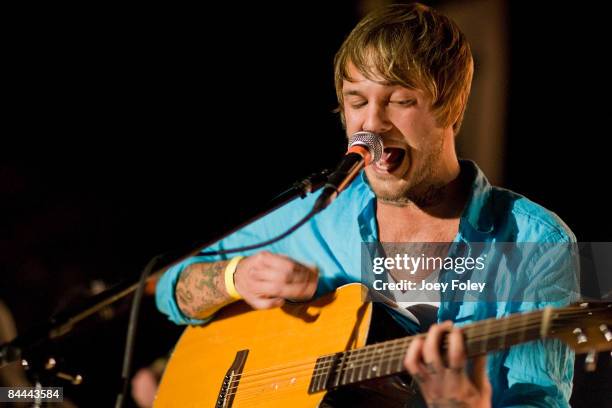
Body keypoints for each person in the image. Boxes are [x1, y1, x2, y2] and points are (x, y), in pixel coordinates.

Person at [155, 3, 578, 407]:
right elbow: (170, 288)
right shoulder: (317, 212)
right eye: (357, 101)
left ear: (452, 108)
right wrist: (235, 277)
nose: (371, 124)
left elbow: (540, 401)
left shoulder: (538, 243)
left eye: (399, 100)